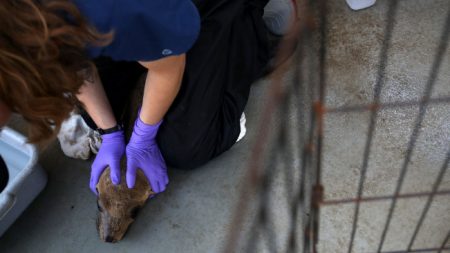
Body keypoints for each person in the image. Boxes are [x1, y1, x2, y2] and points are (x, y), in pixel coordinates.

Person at [0, 0, 294, 195]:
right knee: (102, 114)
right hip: (107, 15)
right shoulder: (26, 28)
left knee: (186, 146)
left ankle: (250, 28)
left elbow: (169, 67)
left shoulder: (100, 11)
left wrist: (143, 136)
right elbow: (66, 60)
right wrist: (111, 132)